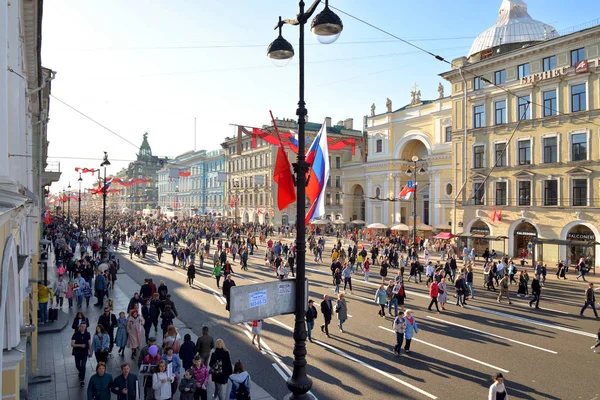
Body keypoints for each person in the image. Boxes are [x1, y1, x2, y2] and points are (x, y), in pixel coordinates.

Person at [71, 320, 92, 386]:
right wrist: (80, 345)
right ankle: (80, 372)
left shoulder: (88, 334)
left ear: (86, 327)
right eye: (82, 326)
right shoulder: (75, 334)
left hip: (84, 352)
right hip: (77, 352)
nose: (83, 328)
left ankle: (82, 380)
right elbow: (72, 344)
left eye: (84, 326)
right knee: (77, 365)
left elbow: (89, 343)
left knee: (83, 366)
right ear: (79, 326)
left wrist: (90, 351)